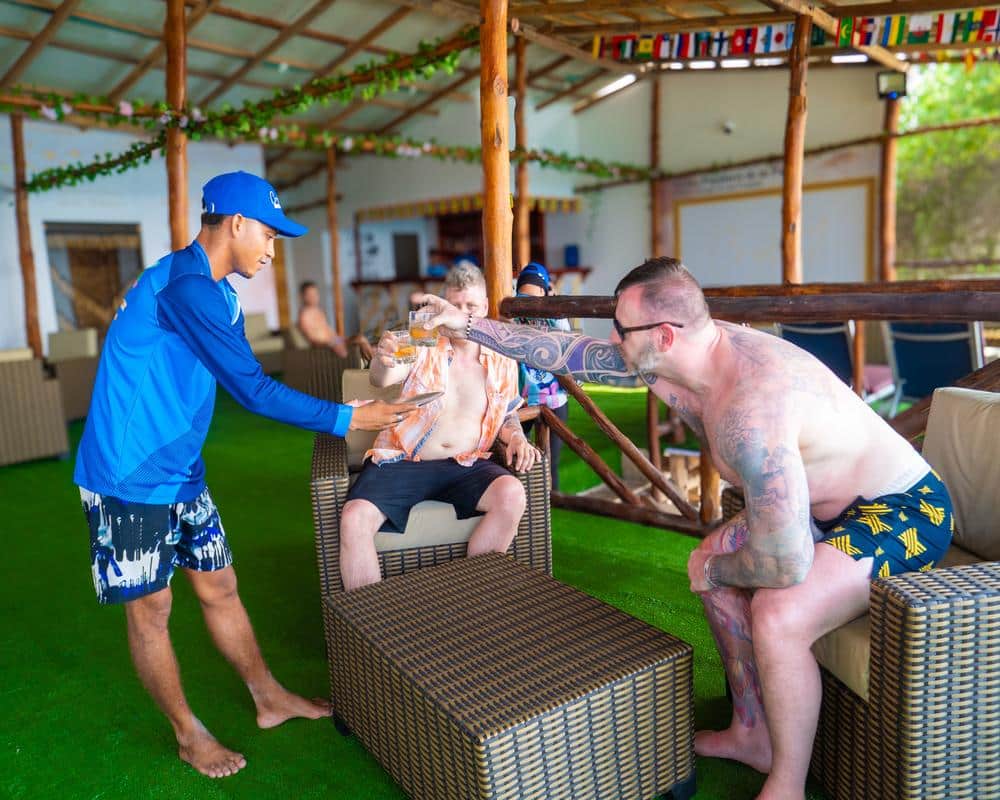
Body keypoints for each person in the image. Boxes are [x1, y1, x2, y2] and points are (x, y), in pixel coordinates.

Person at [413, 256, 953, 800]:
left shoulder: (754, 407)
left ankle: (786, 783)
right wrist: (468, 325)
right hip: (815, 504)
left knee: (778, 613)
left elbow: (786, 563)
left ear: (665, 335)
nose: (612, 339)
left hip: (903, 508)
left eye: (621, 328)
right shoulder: (684, 355)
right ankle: (752, 731)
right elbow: (572, 353)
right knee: (708, 560)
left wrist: (720, 569)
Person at [74, 171, 415, 780]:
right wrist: (350, 417)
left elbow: (242, 374)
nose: (272, 249)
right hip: (127, 477)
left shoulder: (220, 294)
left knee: (221, 586)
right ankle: (188, 734)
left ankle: (268, 697)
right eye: (269, 234)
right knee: (152, 608)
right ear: (235, 223)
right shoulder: (186, 288)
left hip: (181, 469)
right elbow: (253, 391)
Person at [338, 262, 541, 591]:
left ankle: (477, 594)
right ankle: (369, 615)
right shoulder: (423, 341)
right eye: (454, 305)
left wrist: (516, 436)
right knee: (354, 518)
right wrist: (382, 360)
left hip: (467, 464)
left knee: (512, 494)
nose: (460, 314)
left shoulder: (501, 355)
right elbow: (382, 378)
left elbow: (507, 411)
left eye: (470, 306)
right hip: (404, 459)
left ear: (484, 308)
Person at [512, 262, 570, 491]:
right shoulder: (513, 317)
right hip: (523, 401)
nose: (529, 305)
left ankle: (550, 502)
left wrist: (553, 305)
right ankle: (524, 502)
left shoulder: (556, 316)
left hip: (554, 400)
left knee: (550, 461)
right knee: (518, 458)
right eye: (523, 298)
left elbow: (566, 344)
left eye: (535, 299)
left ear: (546, 294)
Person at [296, 280, 374, 362]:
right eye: (310, 295)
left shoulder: (318, 311)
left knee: (366, 341)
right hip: (325, 347)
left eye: (315, 294)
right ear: (303, 296)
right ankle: (374, 363)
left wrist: (339, 339)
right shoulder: (304, 316)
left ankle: (372, 362)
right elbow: (313, 339)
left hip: (334, 341)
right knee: (360, 339)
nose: (314, 297)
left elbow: (329, 331)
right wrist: (332, 342)